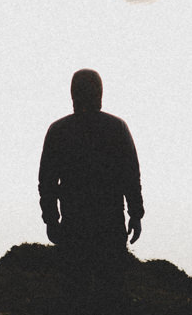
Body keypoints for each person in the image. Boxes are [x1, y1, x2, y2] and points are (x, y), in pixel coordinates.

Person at [38, 68, 143, 254]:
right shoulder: (117, 128)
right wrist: (135, 215)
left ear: (73, 94)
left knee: (75, 271)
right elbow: (131, 178)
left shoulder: (58, 130)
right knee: (109, 271)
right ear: (100, 93)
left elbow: (47, 183)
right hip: (111, 224)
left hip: (73, 224)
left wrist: (51, 219)